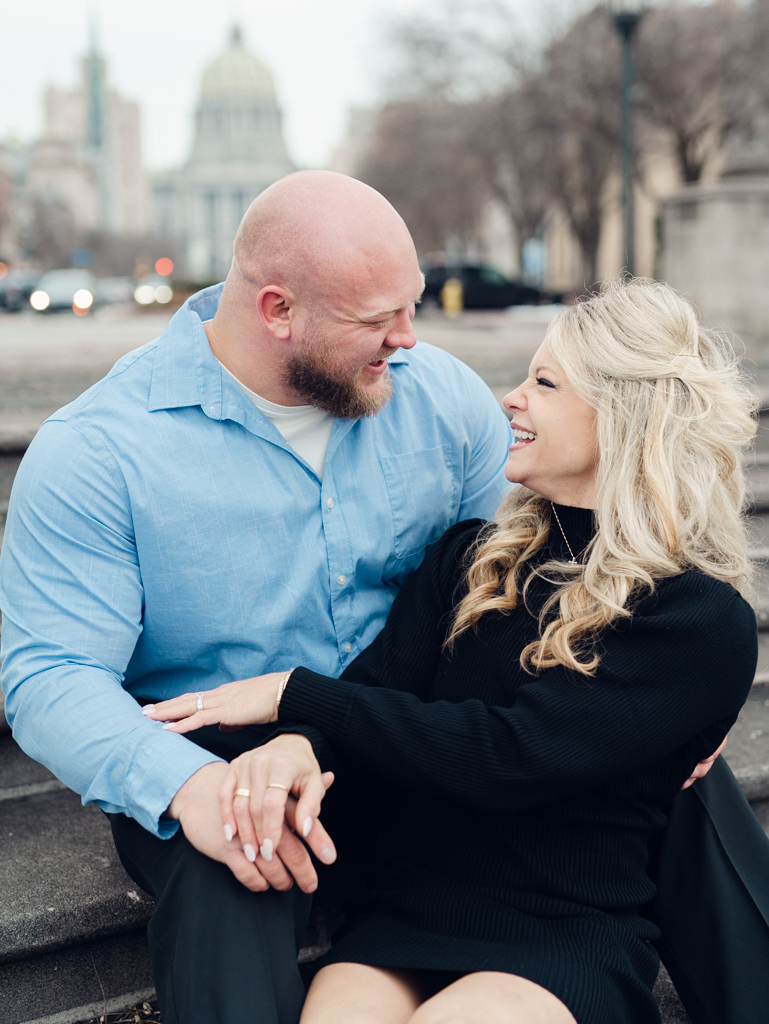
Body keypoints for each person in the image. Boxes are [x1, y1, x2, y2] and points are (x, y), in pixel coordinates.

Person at [147, 279, 768, 1024]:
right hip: (405, 912)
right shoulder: (470, 559)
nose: (510, 399)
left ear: (622, 415)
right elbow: (379, 690)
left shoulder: (694, 616)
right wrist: (297, 745)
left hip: (560, 935)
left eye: (542, 383)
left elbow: (509, 756)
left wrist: (293, 694)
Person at [0, 171, 512, 1024]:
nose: (408, 339)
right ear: (278, 311)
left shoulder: (443, 398)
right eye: (377, 319)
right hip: (227, 754)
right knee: (227, 868)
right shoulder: (98, 451)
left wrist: (656, 686)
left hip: (409, 725)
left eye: (411, 306)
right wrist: (191, 789)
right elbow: (49, 674)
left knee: (665, 776)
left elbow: (523, 571)